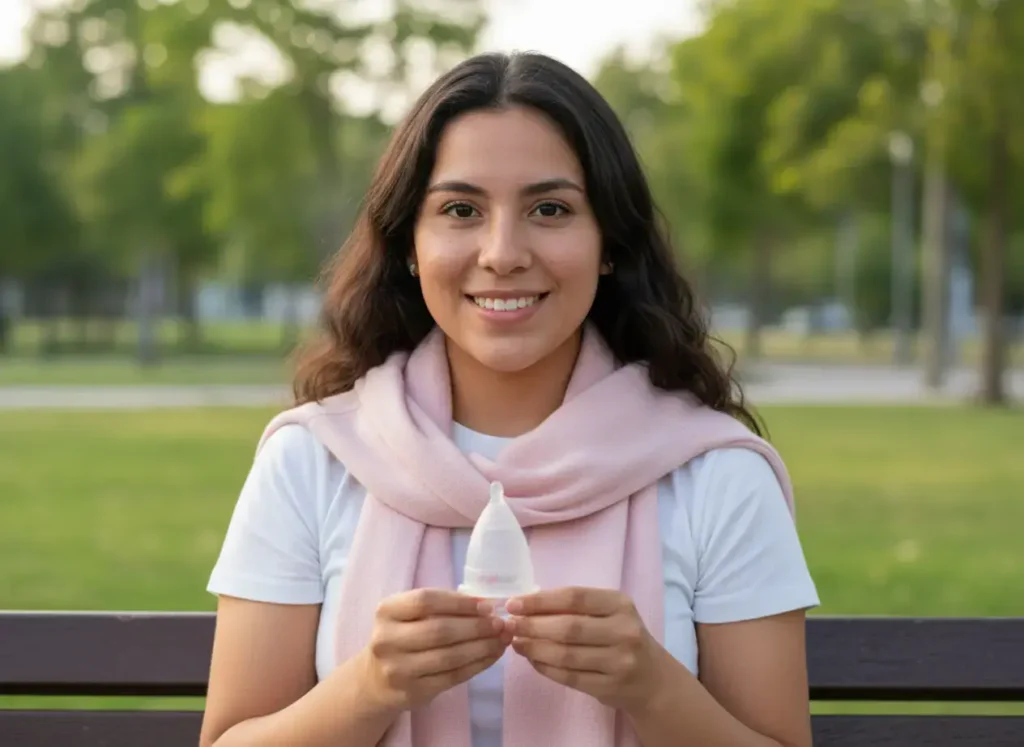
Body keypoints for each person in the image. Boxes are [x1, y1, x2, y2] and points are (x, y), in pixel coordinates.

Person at [199, 51, 819, 747]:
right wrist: (367, 689)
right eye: (461, 209)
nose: (502, 251)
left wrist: (652, 686)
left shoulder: (715, 475)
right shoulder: (312, 462)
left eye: (549, 209)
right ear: (410, 241)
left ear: (608, 241)